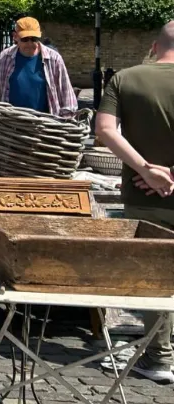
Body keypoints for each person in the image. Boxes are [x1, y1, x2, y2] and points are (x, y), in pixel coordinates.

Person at [94, 20, 174, 384]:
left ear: (155, 47)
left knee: (155, 276)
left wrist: (149, 170)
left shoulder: (123, 79)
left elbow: (106, 131)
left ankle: (159, 356)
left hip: (144, 195)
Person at [0, 17, 77, 118]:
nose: (30, 44)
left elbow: (67, 97)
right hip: (11, 124)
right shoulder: (5, 57)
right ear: (15, 37)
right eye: (25, 39)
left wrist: (65, 125)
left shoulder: (54, 59)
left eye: (34, 39)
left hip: (44, 125)